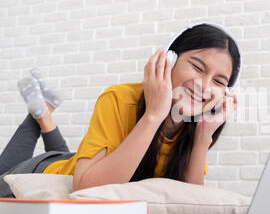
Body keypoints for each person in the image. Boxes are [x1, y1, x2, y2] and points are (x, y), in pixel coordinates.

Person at [0, 23, 240, 197]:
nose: (205, 86)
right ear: (168, 60)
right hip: (45, 171)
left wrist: (203, 137)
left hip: (76, 162)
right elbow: (89, 190)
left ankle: (43, 113)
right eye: (197, 67)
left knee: (71, 158)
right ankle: (38, 116)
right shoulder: (120, 97)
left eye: (219, 82)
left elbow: (193, 202)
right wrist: (154, 115)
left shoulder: (195, 126)